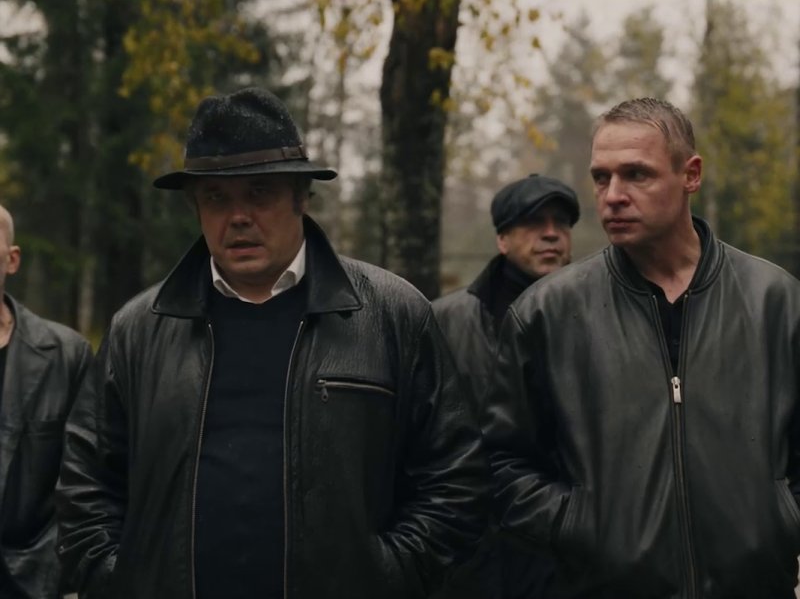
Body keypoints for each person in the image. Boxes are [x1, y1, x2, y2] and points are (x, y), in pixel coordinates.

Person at [56, 87, 488, 599]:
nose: (238, 217)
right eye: (216, 198)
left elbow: (455, 479)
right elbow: (85, 489)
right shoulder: (139, 330)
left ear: (301, 197)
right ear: (196, 207)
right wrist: (124, 580)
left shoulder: (391, 314)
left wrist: (385, 575)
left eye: (259, 192)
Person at [482, 96, 800, 599]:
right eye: (601, 177)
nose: (612, 196)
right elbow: (503, 463)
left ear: (690, 175)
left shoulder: (775, 300)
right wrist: (581, 526)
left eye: (636, 174)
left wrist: (780, 521)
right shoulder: (547, 313)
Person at [431, 174, 579, 599]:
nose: (551, 233)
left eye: (561, 222)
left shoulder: (595, 316)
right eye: (534, 222)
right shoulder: (445, 322)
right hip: (474, 551)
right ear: (502, 239)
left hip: (568, 551)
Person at [0, 205, 92, 599]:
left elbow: (88, 484)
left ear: (12, 259)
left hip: (33, 580)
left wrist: (66, 578)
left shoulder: (65, 355)